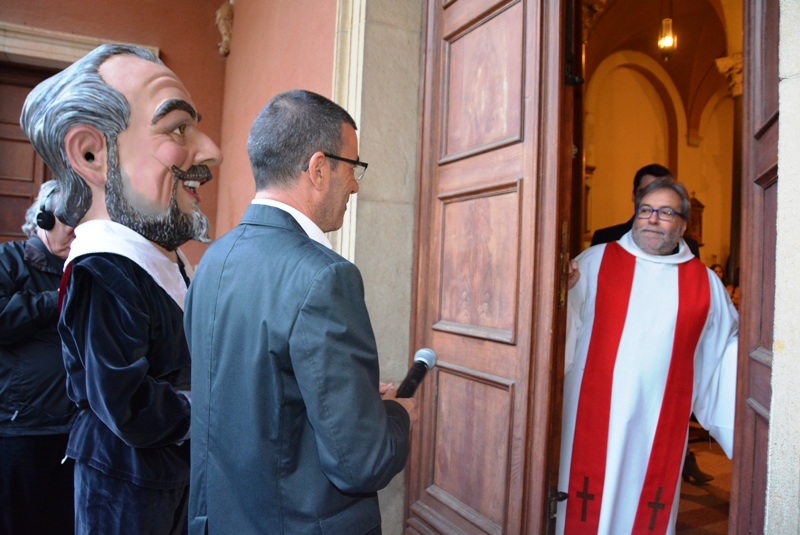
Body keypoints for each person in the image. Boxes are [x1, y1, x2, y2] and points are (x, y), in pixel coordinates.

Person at [185, 89, 416, 534]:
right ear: (318, 168)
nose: (355, 184)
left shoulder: (212, 259)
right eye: (352, 167)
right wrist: (399, 414)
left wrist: (359, 403)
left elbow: (254, 398)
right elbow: (361, 462)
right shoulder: (325, 277)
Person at [20, 43, 222, 534]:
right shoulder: (104, 267)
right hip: (126, 483)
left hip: (166, 476)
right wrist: (221, 406)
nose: (210, 150)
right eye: (177, 126)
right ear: (90, 152)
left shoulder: (160, 257)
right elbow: (126, 404)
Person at [557, 177, 738, 534]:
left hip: (657, 421)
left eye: (666, 212)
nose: (652, 219)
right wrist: (560, 294)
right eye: (645, 210)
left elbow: (725, 351)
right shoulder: (593, 262)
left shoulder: (704, 283)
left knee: (642, 509)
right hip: (590, 415)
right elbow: (558, 331)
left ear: (683, 225)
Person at [0, 180, 76, 534]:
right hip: (23, 428)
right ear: (44, 219)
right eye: (69, 220)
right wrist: (55, 299)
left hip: (75, 429)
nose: (77, 230)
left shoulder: (85, 267)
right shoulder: (9, 259)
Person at [591, 163, 701, 258]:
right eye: (645, 192)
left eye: (661, 192)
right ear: (634, 196)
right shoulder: (605, 239)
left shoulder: (689, 248)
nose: (652, 198)